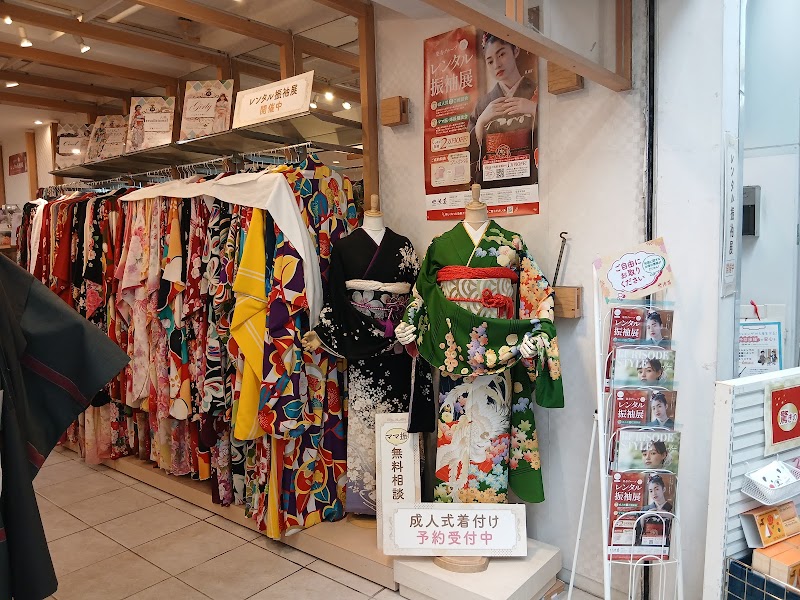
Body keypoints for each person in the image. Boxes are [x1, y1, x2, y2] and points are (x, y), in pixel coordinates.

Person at [468, 32, 538, 188]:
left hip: (529, 180)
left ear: (515, 50)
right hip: (494, 183)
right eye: (490, 61)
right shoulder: (483, 105)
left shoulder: (536, 92)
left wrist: (534, 109)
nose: (497, 65)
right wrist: (481, 122)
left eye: (501, 54)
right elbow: (469, 152)